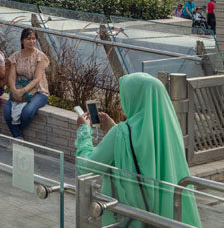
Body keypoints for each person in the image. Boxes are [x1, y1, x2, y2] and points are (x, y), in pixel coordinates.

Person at [75, 73, 201, 227]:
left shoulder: (122, 133)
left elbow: (87, 166)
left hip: (132, 216)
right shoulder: (170, 131)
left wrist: (84, 131)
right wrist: (112, 128)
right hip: (169, 216)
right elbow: (143, 152)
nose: (122, 102)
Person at [4, 28, 49, 139]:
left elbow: (37, 79)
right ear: (22, 41)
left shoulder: (40, 56)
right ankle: (18, 138)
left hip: (39, 91)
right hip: (19, 89)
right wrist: (14, 90)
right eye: (28, 39)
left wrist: (22, 91)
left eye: (34, 39)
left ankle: (16, 136)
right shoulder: (16, 56)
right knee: (7, 112)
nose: (31, 41)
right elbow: (12, 76)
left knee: (27, 113)